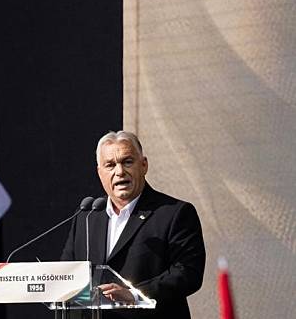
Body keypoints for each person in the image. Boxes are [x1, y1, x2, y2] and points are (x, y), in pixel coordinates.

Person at [61, 131, 205, 318]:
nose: (120, 171)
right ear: (100, 173)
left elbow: (188, 273)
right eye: (110, 165)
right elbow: (66, 273)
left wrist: (135, 294)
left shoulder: (175, 213)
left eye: (127, 162)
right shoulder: (87, 217)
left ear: (144, 165)